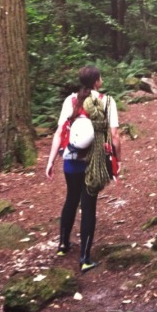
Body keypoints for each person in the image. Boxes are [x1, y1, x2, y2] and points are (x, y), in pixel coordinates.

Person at [46, 65, 121, 272]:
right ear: (97, 81)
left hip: (71, 158)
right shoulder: (107, 101)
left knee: (71, 198)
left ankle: (63, 245)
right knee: (88, 205)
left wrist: (51, 160)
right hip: (93, 161)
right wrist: (118, 160)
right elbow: (115, 136)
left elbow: (60, 133)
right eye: (101, 77)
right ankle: (85, 258)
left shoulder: (71, 100)